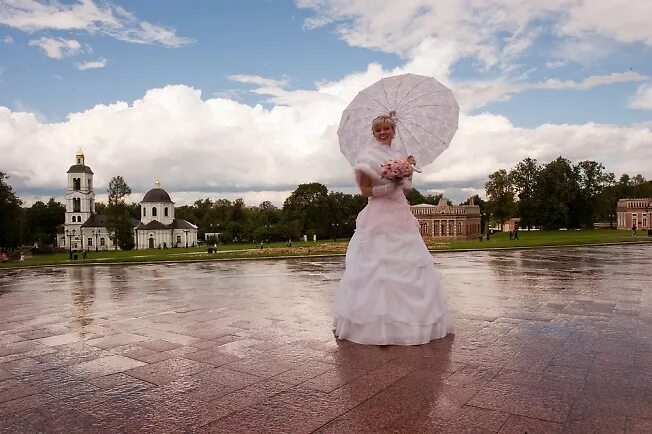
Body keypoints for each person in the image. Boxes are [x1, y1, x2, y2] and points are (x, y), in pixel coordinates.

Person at [332, 114, 453, 345]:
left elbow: (406, 190)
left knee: (411, 264)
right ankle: (376, 326)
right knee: (378, 268)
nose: (383, 132)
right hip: (378, 216)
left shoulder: (400, 156)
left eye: (387, 128)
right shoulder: (367, 157)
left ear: (393, 130)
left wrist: (406, 172)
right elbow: (365, 191)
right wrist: (389, 186)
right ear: (373, 132)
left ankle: (412, 321)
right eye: (379, 129)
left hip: (401, 215)